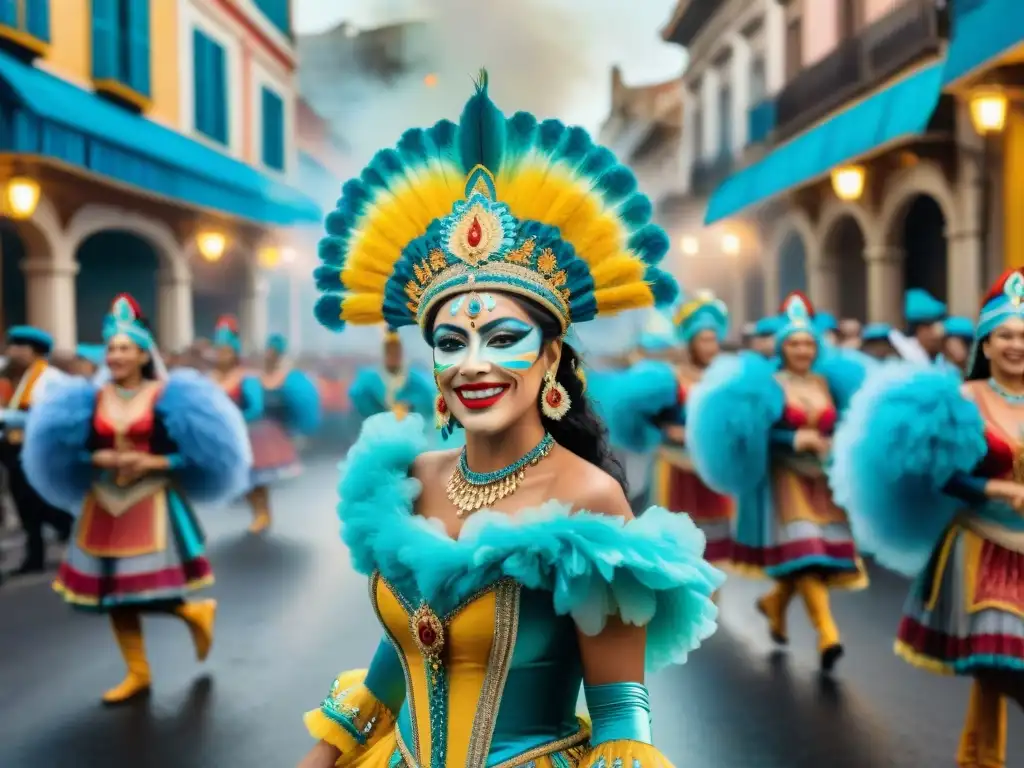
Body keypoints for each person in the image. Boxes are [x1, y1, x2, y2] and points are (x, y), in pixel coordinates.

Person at [298, 72, 723, 768]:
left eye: (502, 339)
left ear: (551, 356)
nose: (472, 365)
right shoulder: (407, 479)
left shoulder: (590, 501)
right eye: (450, 342)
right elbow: (399, 658)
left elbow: (620, 712)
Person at [830, 268, 1024, 768]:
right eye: (1006, 334)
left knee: (998, 667)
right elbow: (940, 475)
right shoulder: (961, 400)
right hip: (981, 544)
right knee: (1002, 665)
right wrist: (994, 487)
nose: (1016, 345)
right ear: (986, 341)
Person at [21, 294, 251, 704]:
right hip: (103, 502)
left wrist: (154, 461)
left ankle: (191, 612)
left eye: (124, 348)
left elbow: (197, 453)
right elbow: (72, 448)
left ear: (144, 354)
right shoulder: (87, 399)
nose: (115, 355)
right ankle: (138, 672)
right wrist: (98, 455)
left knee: (146, 588)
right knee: (111, 593)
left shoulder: (172, 398)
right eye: (110, 348)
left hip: (152, 501)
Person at [687, 291, 870, 672]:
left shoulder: (825, 382)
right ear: (782, 347)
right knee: (805, 552)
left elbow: (847, 421)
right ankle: (827, 634)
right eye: (794, 342)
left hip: (820, 479)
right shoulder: (767, 383)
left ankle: (774, 603)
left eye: (808, 342)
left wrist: (835, 438)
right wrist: (791, 438)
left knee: (816, 555)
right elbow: (751, 433)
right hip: (783, 476)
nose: (802, 349)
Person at [0, 325, 72, 575]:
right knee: (25, 505)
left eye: (19, 347)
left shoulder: (49, 378)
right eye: (12, 346)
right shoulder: (12, 376)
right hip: (13, 449)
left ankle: (72, 530)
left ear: (34, 351)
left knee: (43, 503)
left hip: (40, 450)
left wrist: (11, 417)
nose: (12, 351)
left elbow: (47, 415)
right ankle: (35, 556)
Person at [247, 333, 322, 533]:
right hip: (252, 433)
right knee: (249, 478)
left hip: (274, 435)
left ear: (279, 355)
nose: (269, 355)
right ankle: (260, 512)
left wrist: (294, 432)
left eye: (273, 352)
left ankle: (262, 514)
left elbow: (297, 409)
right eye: (268, 352)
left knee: (259, 479)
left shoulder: (289, 380)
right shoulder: (255, 378)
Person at [209, 316, 268, 533]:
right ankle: (257, 511)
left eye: (226, 351)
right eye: (219, 351)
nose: (221, 355)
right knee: (240, 479)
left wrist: (235, 420)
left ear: (235, 354)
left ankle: (262, 512)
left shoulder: (246, 378)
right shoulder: (210, 378)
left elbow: (256, 407)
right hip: (222, 436)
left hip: (248, 433)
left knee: (255, 477)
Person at [890, 288, 947, 363]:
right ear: (921, 329)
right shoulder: (908, 357)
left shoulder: (934, 357)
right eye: (936, 328)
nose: (940, 336)